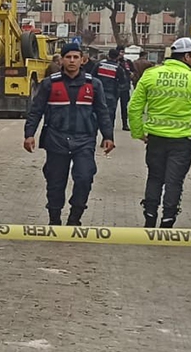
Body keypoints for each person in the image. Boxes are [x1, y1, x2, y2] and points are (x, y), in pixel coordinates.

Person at [24, 40, 115, 226]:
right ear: (62, 60)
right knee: (55, 182)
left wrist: (108, 136)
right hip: (56, 139)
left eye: (76, 57)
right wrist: (29, 134)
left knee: (84, 177)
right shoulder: (49, 84)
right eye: (68, 57)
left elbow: (103, 112)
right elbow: (36, 111)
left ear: (83, 60)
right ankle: (54, 220)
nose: (72, 61)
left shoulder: (94, 85)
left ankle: (75, 219)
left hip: (84, 140)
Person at [128, 37, 191, 228]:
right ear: (187, 56)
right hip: (182, 141)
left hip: (155, 139)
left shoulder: (151, 75)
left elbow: (134, 107)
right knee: (174, 181)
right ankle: (168, 220)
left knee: (155, 177)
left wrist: (138, 132)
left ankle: (149, 216)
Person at [95, 49, 126, 126]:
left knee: (96, 111)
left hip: (98, 92)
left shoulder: (99, 65)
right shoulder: (118, 68)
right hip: (111, 93)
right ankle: (109, 131)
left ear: (108, 56)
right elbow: (123, 82)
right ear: (117, 57)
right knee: (110, 114)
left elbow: (93, 77)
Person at [116, 48, 134, 130]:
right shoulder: (114, 62)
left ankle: (125, 124)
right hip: (115, 87)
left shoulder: (127, 62)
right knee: (111, 107)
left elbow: (133, 71)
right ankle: (110, 124)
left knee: (124, 106)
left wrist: (132, 74)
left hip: (125, 86)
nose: (121, 53)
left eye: (122, 52)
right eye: (120, 51)